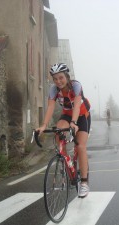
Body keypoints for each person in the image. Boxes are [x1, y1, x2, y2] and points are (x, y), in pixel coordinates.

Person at [37, 63, 91, 198]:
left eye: (60, 77)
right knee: (58, 130)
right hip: (67, 114)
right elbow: (50, 107)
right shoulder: (54, 90)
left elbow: (77, 106)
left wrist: (74, 122)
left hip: (82, 115)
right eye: (55, 79)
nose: (58, 81)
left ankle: (84, 183)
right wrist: (43, 125)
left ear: (67, 76)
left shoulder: (76, 86)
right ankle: (65, 159)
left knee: (81, 146)